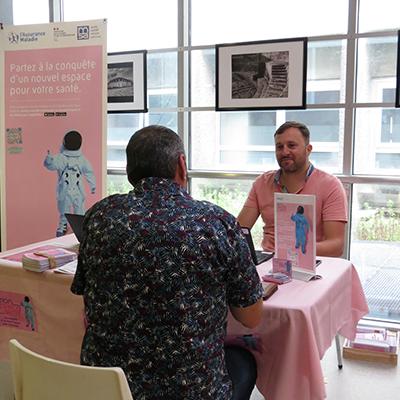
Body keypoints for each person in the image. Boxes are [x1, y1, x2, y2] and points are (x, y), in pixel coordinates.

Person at [71, 125, 263, 400]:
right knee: (244, 361)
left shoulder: (98, 218)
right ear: (182, 165)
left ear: (128, 172)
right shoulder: (216, 223)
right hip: (190, 391)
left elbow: (87, 295)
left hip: (109, 389)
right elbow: (250, 317)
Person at [238, 121, 348, 257]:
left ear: (308, 150)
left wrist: (290, 248)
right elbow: (238, 231)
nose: (285, 152)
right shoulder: (262, 183)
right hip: (269, 261)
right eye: (279, 147)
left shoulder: (330, 185)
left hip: (313, 261)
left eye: (292, 146)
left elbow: (336, 246)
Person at [44, 129, 96, 237]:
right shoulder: (63, 158)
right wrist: (48, 161)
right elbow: (89, 172)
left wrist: (93, 185)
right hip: (67, 189)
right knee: (65, 209)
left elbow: (88, 172)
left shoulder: (72, 159)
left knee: (78, 210)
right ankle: (63, 225)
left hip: (75, 189)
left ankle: (79, 227)